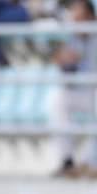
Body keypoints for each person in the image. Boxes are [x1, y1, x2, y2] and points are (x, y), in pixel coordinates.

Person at [50, 0, 97, 177]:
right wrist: (64, 59)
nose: (76, 20)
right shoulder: (72, 38)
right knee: (57, 100)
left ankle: (91, 163)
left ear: (92, 17)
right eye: (74, 16)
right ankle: (67, 161)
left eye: (80, 16)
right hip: (80, 92)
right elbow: (62, 67)